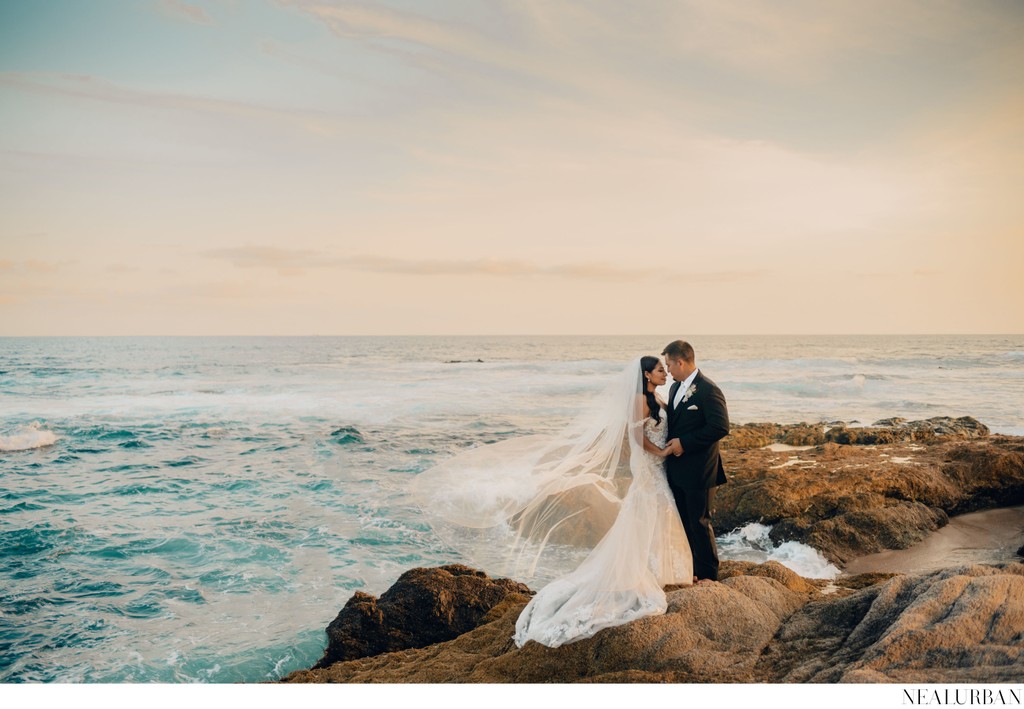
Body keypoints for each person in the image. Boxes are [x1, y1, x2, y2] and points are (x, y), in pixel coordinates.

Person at [409, 356, 693, 648]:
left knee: (658, 516)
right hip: (648, 468)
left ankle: (660, 570)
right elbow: (635, 437)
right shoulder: (639, 400)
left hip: (659, 469)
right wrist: (660, 453)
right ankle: (639, 573)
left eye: (665, 369)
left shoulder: (658, 396)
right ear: (647, 374)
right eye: (660, 370)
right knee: (645, 516)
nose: (665, 373)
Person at [662, 340, 730, 582]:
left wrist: (685, 443)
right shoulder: (674, 389)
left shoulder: (708, 390)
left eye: (669, 364)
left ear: (680, 362)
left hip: (701, 470)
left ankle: (709, 576)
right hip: (677, 470)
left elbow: (720, 426)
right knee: (684, 524)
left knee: (700, 523)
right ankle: (691, 571)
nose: (668, 370)